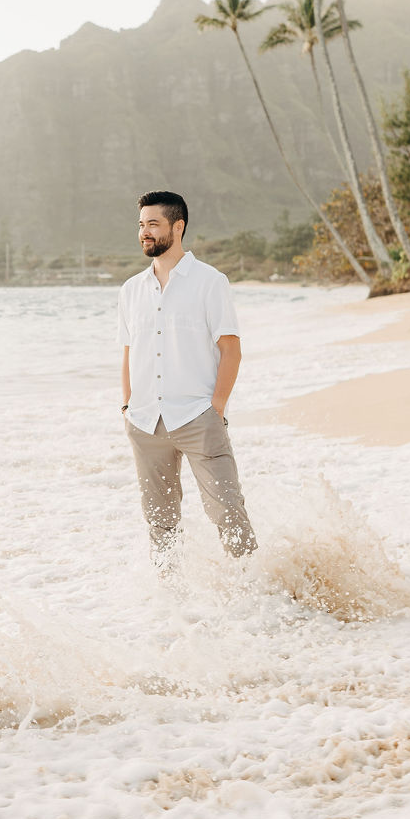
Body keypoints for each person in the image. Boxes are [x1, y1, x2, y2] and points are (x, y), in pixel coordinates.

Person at [118, 190, 257, 568]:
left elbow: (231, 349)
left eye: (153, 224)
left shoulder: (210, 281)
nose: (145, 232)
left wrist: (216, 408)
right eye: (141, 225)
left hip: (198, 418)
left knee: (229, 512)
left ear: (177, 227)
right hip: (145, 423)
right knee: (160, 525)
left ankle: (253, 595)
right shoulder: (131, 290)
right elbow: (129, 352)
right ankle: (172, 605)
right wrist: (128, 406)